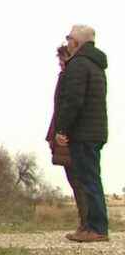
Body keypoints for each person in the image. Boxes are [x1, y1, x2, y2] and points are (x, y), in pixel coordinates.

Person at [55, 25, 109, 243]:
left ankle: (95, 228)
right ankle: (94, 226)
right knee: (91, 179)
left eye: (69, 38)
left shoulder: (78, 64)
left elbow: (73, 100)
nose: (67, 42)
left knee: (88, 180)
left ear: (76, 42)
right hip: (96, 131)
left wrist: (62, 129)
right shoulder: (96, 65)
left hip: (84, 132)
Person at [46, 45, 87, 234]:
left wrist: (60, 132)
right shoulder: (68, 76)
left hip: (70, 135)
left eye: (63, 59)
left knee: (79, 180)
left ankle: (87, 223)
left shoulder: (70, 78)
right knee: (77, 180)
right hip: (68, 133)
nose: (61, 63)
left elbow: (67, 107)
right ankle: (86, 222)